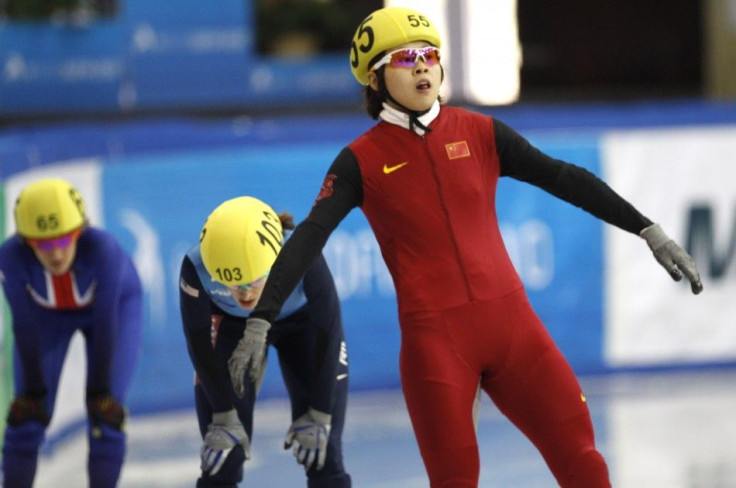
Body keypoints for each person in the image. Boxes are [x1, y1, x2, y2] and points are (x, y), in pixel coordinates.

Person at [225, 6, 705, 488]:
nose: (422, 65)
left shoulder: (480, 132)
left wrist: (648, 229)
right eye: (405, 57)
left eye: (430, 54)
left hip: (515, 331)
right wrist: (262, 319)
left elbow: (564, 178)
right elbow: (310, 235)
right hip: (438, 347)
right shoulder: (358, 162)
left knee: (585, 463)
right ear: (374, 79)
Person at [178, 196, 351, 488]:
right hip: (233, 328)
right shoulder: (196, 267)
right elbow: (198, 342)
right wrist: (222, 412)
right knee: (223, 452)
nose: (245, 294)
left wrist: (320, 412)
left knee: (324, 451)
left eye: (254, 282)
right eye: (232, 284)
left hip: (303, 325)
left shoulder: (301, 251)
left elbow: (329, 329)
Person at [0, 178, 143, 488]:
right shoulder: (10, 257)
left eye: (64, 240)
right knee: (26, 419)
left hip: (113, 312)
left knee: (106, 418)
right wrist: (33, 395)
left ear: (80, 232)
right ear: (26, 242)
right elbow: (22, 324)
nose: (56, 254)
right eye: (44, 244)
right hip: (46, 319)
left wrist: (100, 393)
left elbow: (106, 323)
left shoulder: (104, 248)